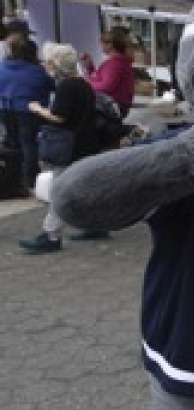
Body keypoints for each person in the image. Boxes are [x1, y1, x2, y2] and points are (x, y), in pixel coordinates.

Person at [19, 43, 105, 254]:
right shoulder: (83, 84)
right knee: (85, 188)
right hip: (86, 142)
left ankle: (51, 234)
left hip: (70, 145)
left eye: (48, 61)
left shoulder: (67, 86)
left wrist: (38, 109)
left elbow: (59, 117)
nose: (45, 65)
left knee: (59, 190)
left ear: (55, 64)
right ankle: (95, 224)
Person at [0, 34, 52, 191]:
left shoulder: (3, 67)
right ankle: (31, 179)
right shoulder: (37, 71)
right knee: (29, 144)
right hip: (29, 109)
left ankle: (15, 178)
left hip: (6, 107)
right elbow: (49, 86)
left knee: (12, 143)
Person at [79, 28, 135, 118]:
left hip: (113, 107)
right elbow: (101, 80)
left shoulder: (115, 64)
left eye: (102, 43)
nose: (100, 46)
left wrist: (85, 82)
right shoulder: (117, 62)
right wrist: (90, 68)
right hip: (116, 105)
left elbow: (106, 87)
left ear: (110, 45)